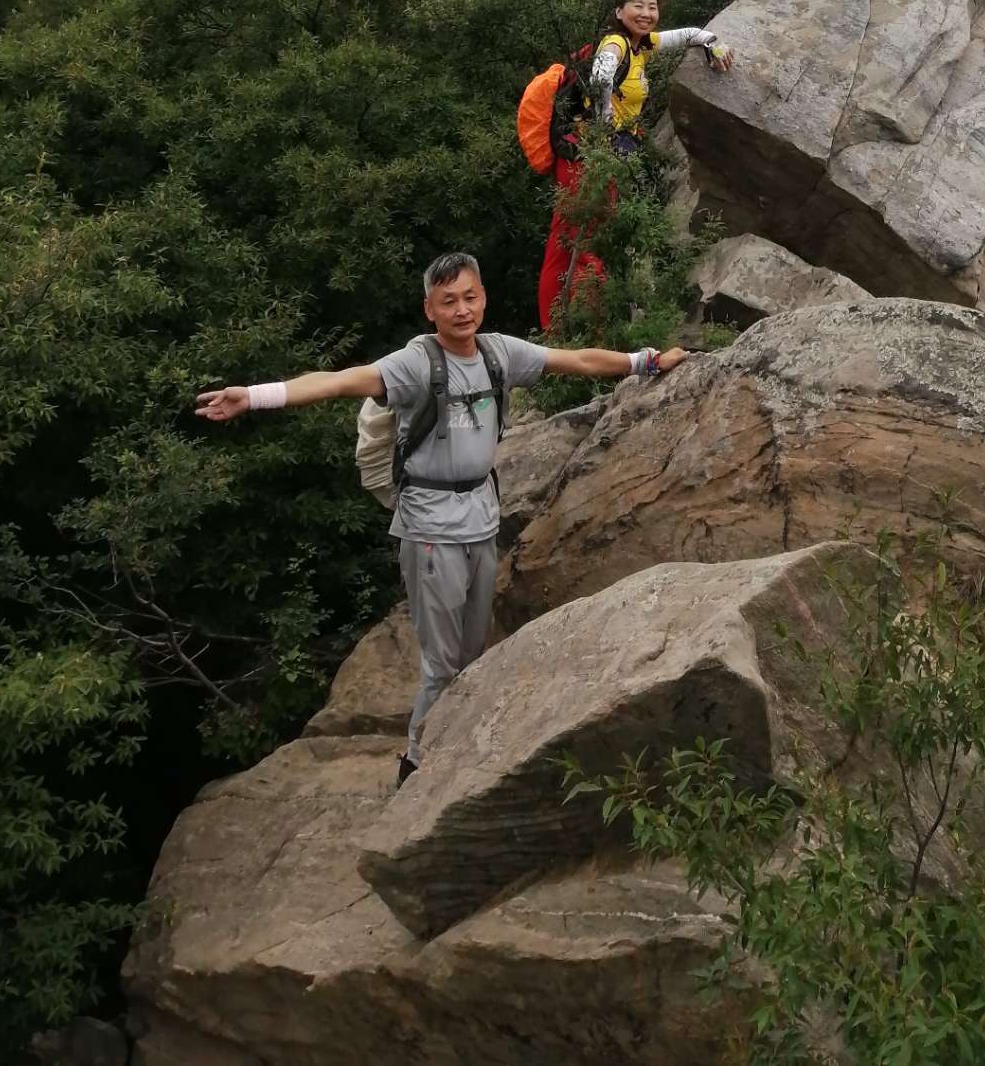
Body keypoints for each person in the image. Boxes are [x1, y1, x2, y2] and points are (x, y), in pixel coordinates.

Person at [196, 251, 688, 785]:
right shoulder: (415, 365)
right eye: (448, 301)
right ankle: (416, 762)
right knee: (440, 662)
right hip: (430, 525)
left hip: (481, 515)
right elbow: (340, 381)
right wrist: (256, 396)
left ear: (484, 299)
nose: (462, 310)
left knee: (473, 653)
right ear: (429, 309)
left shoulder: (499, 354)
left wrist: (645, 361)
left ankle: (457, 749)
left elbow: (576, 361)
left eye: (470, 297)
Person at [538, 0, 732, 331]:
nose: (646, 13)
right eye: (637, 6)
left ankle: (563, 328)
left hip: (594, 155)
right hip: (588, 157)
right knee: (585, 242)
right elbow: (600, 78)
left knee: (570, 241)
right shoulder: (615, 44)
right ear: (618, 12)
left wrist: (712, 42)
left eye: (652, 7)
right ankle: (583, 331)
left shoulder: (642, 46)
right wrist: (605, 126)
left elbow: (688, 34)